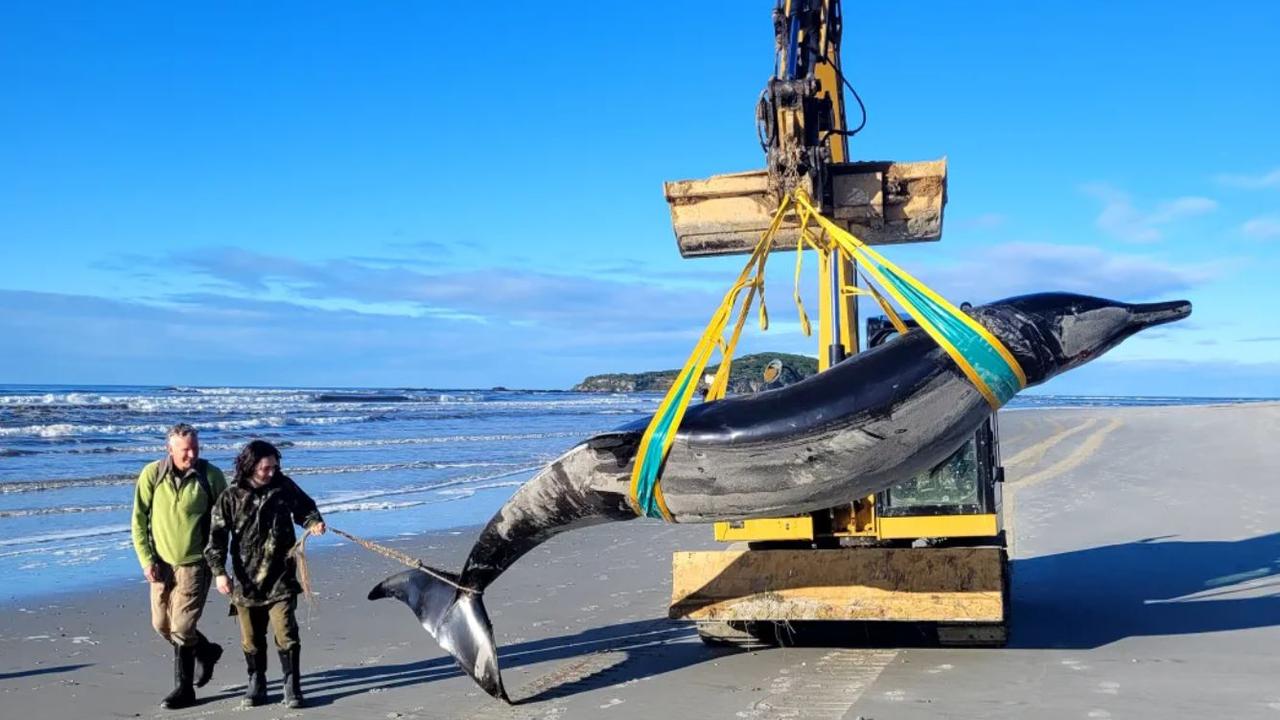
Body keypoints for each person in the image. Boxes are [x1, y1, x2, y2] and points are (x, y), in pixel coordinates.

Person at [206, 439, 326, 709]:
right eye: (265, 468)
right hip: (246, 581)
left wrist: (314, 522)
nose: (271, 472)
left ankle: (291, 686)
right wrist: (219, 573)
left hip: (281, 576)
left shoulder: (283, 487)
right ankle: (256, 682)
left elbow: (305, 508)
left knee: (286, 632)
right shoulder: (231, 496)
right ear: (250, 466)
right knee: (251, 638)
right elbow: (216, 538)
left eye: (274, 466)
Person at [131, 422, 228, 710]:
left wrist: (219, 563)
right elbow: (138, 521)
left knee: (183, 627)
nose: (191, 455)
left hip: (196, 564)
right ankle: (206, 652)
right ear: (169, 449)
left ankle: (184, 689)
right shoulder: (152, 474)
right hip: (161, 565)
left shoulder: (210, 476)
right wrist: (146, 559)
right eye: (185, 450)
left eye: (195, 448)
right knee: (161, 625)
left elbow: (224, 522)